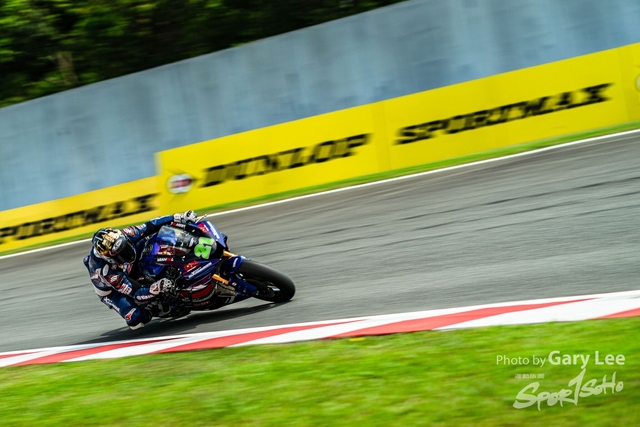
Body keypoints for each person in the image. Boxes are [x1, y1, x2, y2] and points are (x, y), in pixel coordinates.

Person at [83, 210, 199, 330]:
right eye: (121, 255)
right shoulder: (109, 273)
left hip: (127, 263)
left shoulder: (126, 234)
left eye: (126, 248)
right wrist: (155, 289)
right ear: (109, 258)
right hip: (111, 290)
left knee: (155, 236)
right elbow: (136, 292)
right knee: (135, 319)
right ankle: (155, 307)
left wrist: (178, 217)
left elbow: (151, 224)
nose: (127, 254)